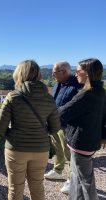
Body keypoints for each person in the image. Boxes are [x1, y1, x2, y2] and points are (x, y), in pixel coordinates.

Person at [0, 60, 60, 200]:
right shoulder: (49, 99)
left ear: (19, 74)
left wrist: (12, 135)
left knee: (15, 188)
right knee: (37, 187)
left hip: (16, 149)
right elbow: (55, 127)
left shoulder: (13, 97)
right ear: (39, 75)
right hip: (41, 149)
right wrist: (40, 132)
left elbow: (0, 127)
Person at [58, 58, 105, 200]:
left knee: (85, 180)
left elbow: (62, 113)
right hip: (91, 140)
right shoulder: (101, 91)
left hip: (80, 143)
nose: (76, 74)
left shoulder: (86, 93)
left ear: (88, 73)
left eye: (78, 71)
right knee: (76, 177)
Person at [44, 61, 81, 194]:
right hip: (54, 123)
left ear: (64, 72)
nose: (52, 75)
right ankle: (58, 170)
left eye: (54, 72)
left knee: (69, 154)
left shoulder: (77, 85)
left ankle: (72, 181)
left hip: (68, 125)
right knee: (57, 148)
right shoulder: (58, 83)